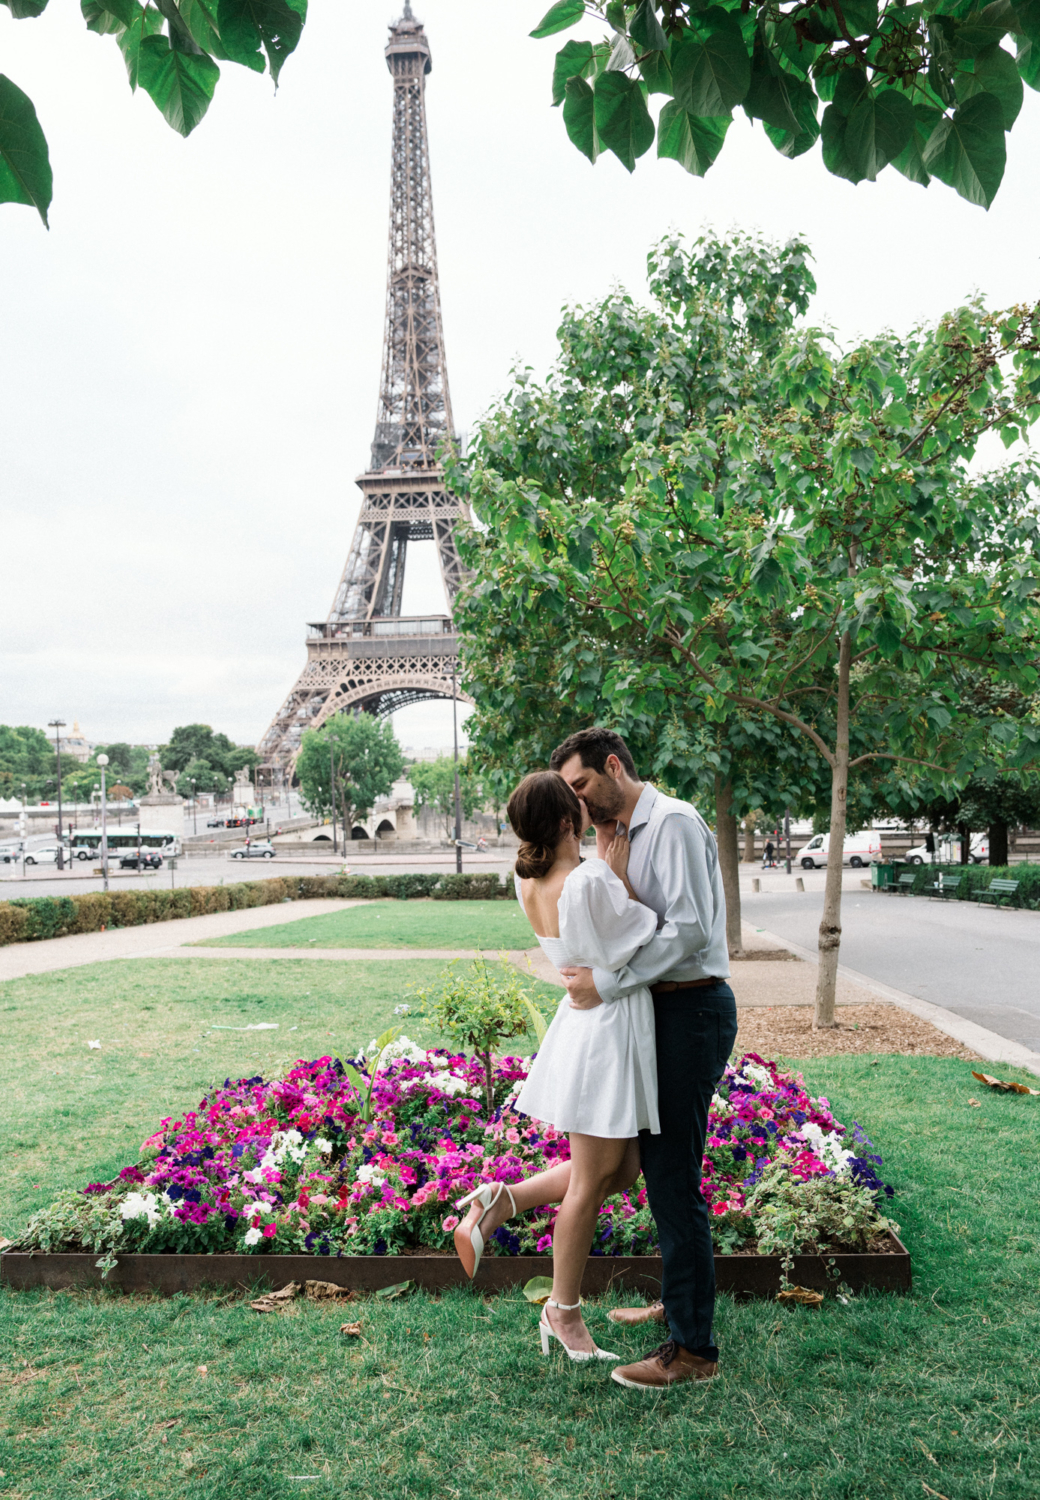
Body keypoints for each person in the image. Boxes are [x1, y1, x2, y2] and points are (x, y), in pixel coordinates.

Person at [550, 727, 737, 1391]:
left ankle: (692, 1351)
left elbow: (688, 930)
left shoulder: (676, 823)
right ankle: (679, 1304)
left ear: (612, 765)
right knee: (647, 1168)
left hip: (691, 1010)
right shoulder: (613, 832)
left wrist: (605, 983)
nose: (578, 802)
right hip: (655, 1014)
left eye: (581, 786)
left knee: (670, 1177)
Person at [452, 769, 659, 1364]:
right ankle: (562, 1311)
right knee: (594, 1181)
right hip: (609, 1030)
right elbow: (642, 935)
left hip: (585, 1027)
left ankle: (501, 1202)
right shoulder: (589, 878)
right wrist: (618, 876)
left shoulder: (529, 882)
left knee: (620, 1172)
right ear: (569, 820)